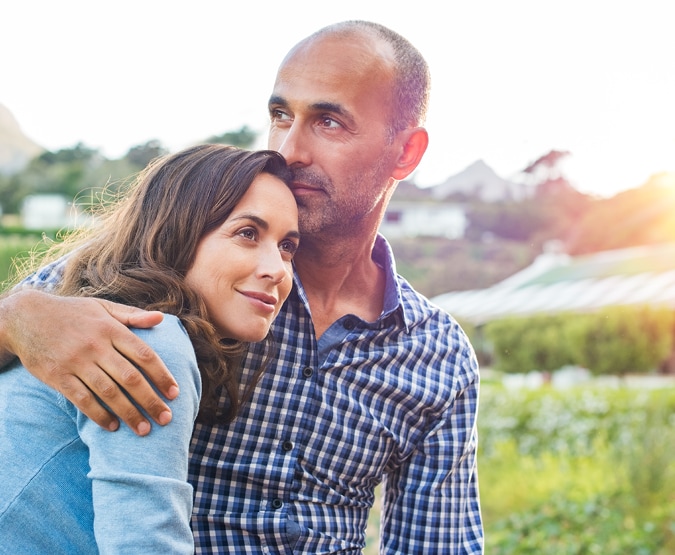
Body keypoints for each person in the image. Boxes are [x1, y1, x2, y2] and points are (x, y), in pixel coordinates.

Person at [0, 20, 483, 553]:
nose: (291, 148)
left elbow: (441, 544)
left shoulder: (438, 355)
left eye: (328, 122)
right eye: (280, 116)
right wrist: (16, 320)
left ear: (406, 153)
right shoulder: (174, 275)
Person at [0, 144, 299, 553]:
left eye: (287, 246)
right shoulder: (148, 338)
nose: (277, 269)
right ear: (178, 232)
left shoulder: (108, 319)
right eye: (248, 234)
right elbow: (145, 544)